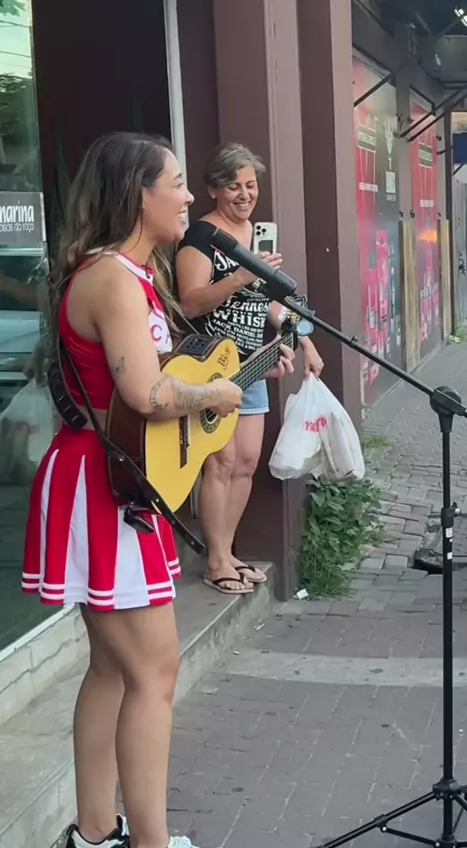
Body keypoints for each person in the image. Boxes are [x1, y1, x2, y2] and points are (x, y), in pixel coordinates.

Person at [22, 133, 295, 848]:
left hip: (110, 478)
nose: (188, 196)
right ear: (137, 194)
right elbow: (148, 393)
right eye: (176, 182)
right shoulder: (113, 277)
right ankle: (149, 844)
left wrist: (232, 377)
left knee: (114, 669)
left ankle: (94, 835)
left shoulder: (126, 273)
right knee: (154, 671)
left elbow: (148, 381)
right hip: (103, 484)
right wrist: (216, 393)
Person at [176, 142, 324, 594]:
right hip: (212, 366)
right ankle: (215, 560)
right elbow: (190, 301)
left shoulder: (259, 236)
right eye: (233, 186)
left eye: (250, 185)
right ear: (212, 190)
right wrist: (238, 277)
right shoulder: (202, 237)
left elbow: (271, 303)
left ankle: (228, 552)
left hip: (251, 364)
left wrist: (305, 341)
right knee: (220, 463)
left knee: (245, 463)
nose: (244, 195)